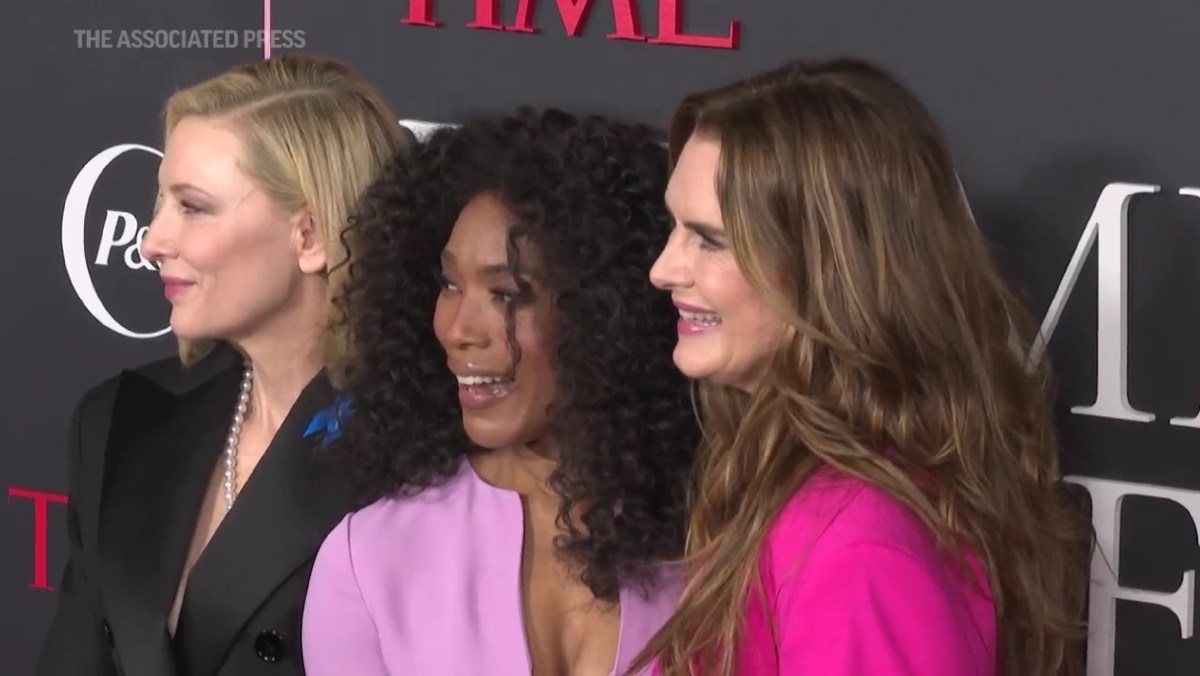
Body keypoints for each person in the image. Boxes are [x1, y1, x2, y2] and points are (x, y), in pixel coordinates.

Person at [629, 59, 1093, 675]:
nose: (663, 269)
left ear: (827, 269)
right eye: (674, 228)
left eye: (709, 240)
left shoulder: (857, 544)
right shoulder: (800, 496)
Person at [37, 55, 414, 676]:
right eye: (159, 204)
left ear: (312, 236)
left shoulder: (421, 463)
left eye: (193, 207)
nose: (153, 240)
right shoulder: (117, 424)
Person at [300, 108, 700, 676]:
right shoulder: (370, 561)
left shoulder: (717, 543)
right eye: (449, 284)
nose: (460, 328)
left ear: (608, 316)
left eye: (508, 293)